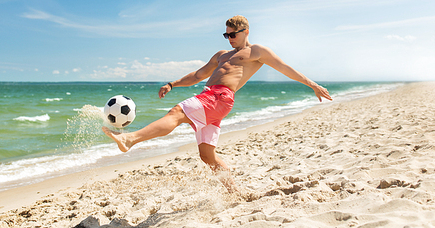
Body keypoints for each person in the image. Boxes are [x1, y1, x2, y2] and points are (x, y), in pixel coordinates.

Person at [103, 15, 332, 191]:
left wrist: (312, 84)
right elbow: (198, 75)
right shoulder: (222, 55)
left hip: (220, 97)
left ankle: (129, 139)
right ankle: (235, 192)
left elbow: (285, 68)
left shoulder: (256, 51)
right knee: (207, 156)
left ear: (246, 32)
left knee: (177, 112)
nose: (230, 39)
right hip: (210, 98)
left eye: (233, 35)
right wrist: (172, 84)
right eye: (226, 35)